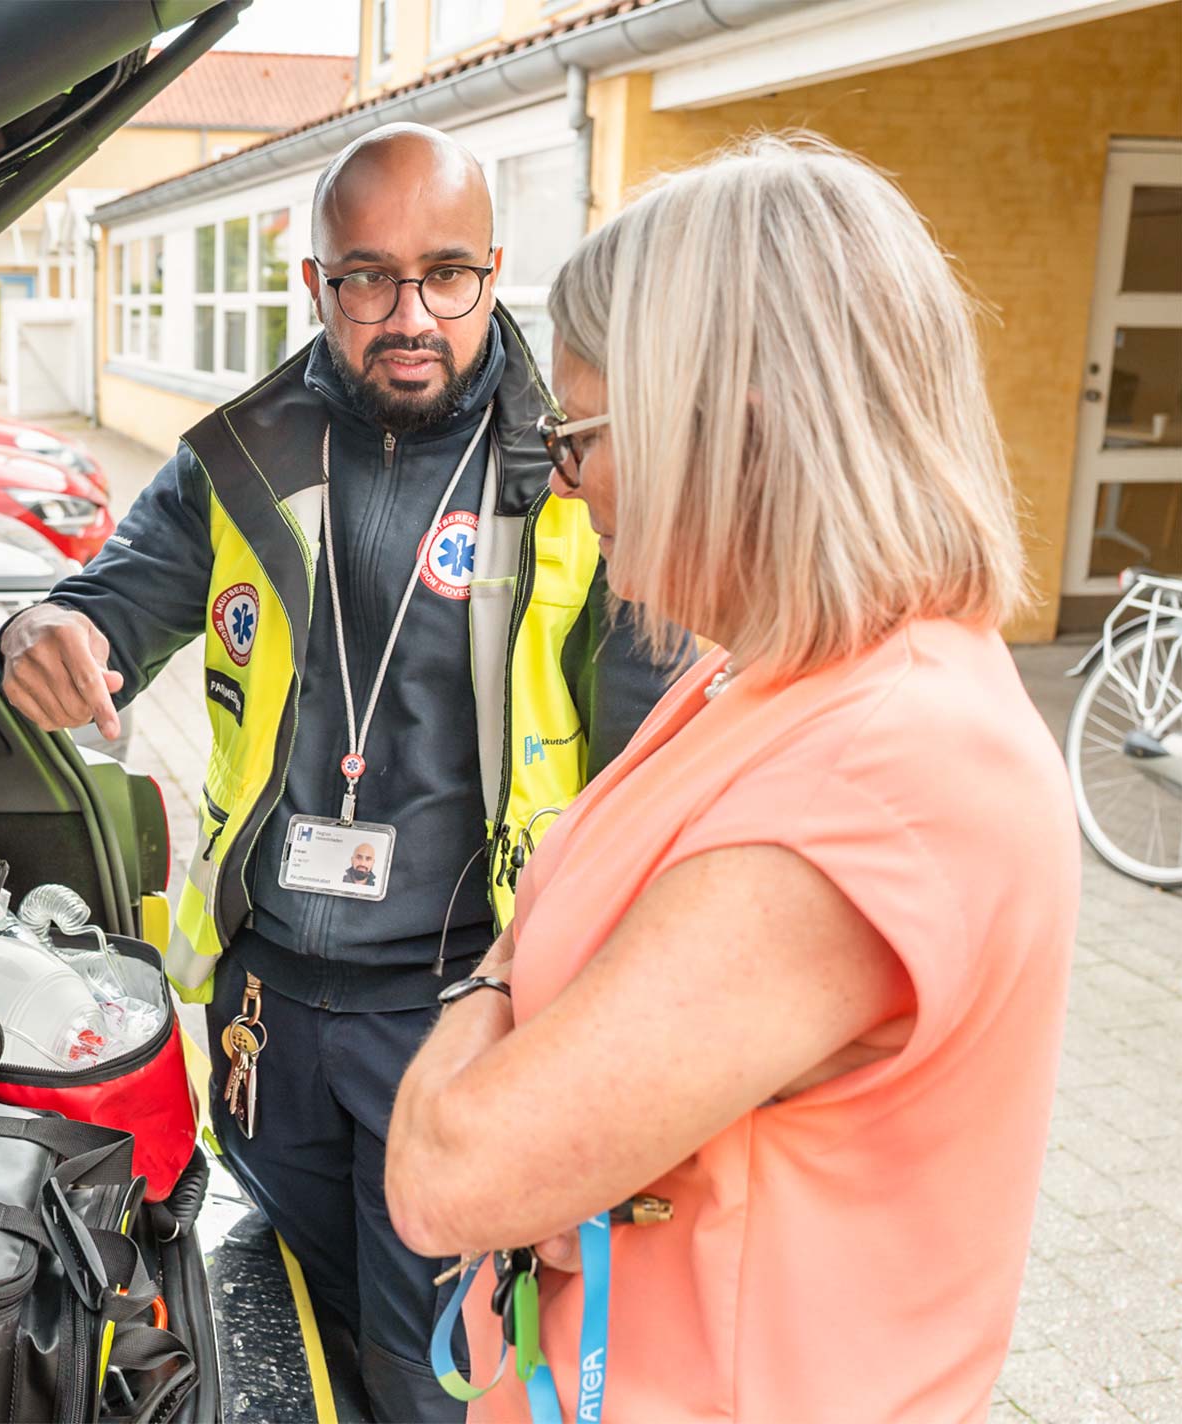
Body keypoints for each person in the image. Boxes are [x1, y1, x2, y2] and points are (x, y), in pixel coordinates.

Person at [384, 134, 1079, 1424]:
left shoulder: (890, 772)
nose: (563, 474)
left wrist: (490, 992)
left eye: (581, 431)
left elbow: (448, 1173)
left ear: (735, 426)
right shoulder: (764, 673)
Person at [0, 123, 678, 1418]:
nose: (408, 314)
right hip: (270, 1022)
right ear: (317, 284)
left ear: (493, 269)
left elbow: (657, 775)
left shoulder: (576, 471)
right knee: (303, 1327)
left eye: (446, 275)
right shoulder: (239, 456)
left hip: (468, 1013)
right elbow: (105, 611)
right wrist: (46, 632)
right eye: (368, 277)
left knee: (437, 1375)